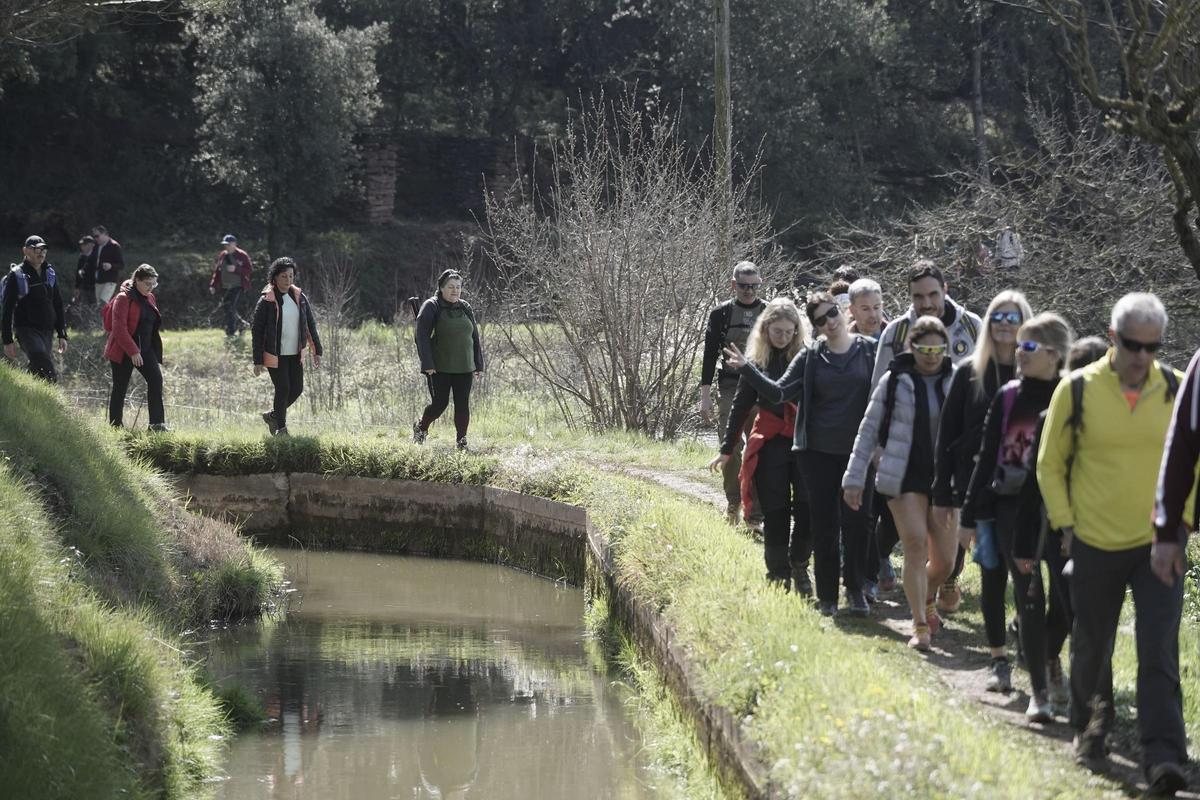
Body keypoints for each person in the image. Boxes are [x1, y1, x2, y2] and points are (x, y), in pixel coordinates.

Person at [1038, 293, 1190, 793]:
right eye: (1132, 345)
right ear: (1112, 337)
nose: (1142, 356)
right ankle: (1091, 731)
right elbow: (1049, 464)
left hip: (1158, 544)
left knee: (1159, 648)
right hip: (1093, 542)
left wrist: (1183, 523)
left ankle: (1164, 755)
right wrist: (1066, 525)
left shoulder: (1176, 389)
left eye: (1152, 346)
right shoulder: (1077, 389)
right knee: (1091, 645)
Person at [727, 291, 879, 616]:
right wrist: (746, 368)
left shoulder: (869, 350)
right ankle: (826, 597)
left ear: (842, 311)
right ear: (815, 327)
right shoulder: (810, 356)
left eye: (832, 313)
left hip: (859, 451)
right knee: (824, 525)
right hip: (816, 452)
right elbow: (779, 392)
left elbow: (884, 394)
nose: (829, 322)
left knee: (858, 524)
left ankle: (856, 591)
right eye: (821, 319)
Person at [959, 313, 1073, 723]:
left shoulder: (1071, 395)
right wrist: (969, 515)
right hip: (1011, 508)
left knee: (1067, 601)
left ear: (1055, 354)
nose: (1018, 353)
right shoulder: (1008, 396)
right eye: (1019, 345)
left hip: (1061, 509)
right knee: (1029, 597)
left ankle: (1048, 654)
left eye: (1028, 346)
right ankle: (1039, 694)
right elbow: (987, 457)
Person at [845, 316, 956, 649]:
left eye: (937, 349)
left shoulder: (958, 379)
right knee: (915, 545)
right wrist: (854, 478)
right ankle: (919, 625)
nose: (931, 356)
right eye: (924, 349)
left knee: (946, 562)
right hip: (903, 474)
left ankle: (927, 596)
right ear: (912, 347)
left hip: (944, 479)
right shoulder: (894, 380)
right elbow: (867, 430)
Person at [932, 290, 1031, 634]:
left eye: (1012, 318)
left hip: (1018, 481)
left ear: (1024, 323)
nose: (1004, 324)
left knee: (1014, 555)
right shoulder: (968, 372)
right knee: (959, 549)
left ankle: (1020, 623)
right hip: (970, 473)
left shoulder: (1034, 374)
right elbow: (947, 433)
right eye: (998, 317)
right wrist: (941, 490)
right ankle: (943, 587)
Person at [709, 298, 812, 592]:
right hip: (770, 443)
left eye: (789, 332)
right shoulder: (756, 361)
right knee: (776, 512)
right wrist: (726, 450)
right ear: (765, 329)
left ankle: (799, 564)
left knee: (807, 511)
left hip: (803, 442)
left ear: (797, 331)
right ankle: (778, 574)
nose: (783, 337)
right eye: (777, 331)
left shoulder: (806, 357)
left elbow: (786, 393)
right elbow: (740, 407)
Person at [700, 261, 767, 525]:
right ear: (733, 285)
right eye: (743, 286)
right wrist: (705, 396)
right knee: (731, 446)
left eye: (753, 286)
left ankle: (756, 513)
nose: (749, 291)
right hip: (730, 386)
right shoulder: (721, 314)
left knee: (760, 448)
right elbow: (709, 355)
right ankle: (733, 502)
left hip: (761, 388)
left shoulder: (769, 312)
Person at [871, 260, 982, 387]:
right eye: (918, 296)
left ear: (944, 289)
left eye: (933, 295)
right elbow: (878, 388)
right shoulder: (895, 333)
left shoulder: (972, 326)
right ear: (910, 295)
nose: (926, 304)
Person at [413, 269, 484, 450]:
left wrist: (478, 364)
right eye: (451, 287)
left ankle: (461, 442)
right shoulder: (431, 306)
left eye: (458, 287)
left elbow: (474, 336)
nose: (455, 291)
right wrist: (427, 363)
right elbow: (421, 336)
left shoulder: (465, 307)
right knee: (439, 404)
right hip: (439, 367)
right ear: (441, 288)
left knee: (462, 405)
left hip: (465, 366)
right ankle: (421, 428)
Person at [251, 257, 322, 437]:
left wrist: (317, 350)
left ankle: (273, 416)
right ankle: (281, 429)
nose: (288, 280)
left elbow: (310, 324)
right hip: (275, 355)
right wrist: (257, 360)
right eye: (284, 276)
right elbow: (257, 331)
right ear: (274, 277)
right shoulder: (266, 300)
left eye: (291, 276)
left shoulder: (300, 297)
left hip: (295, 353)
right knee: (283, 389)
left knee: (296, 389)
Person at [104, 265, 168, 431]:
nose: (151, 287)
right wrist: (133, 351)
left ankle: (157, 425)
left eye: (154, 284)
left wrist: (150, 349)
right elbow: (119, 329)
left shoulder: (150, 297)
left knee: (156, 380)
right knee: (120, 387)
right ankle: (116, 427)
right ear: (137, 280)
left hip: (145, 349)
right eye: (147, 283)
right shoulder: (123, 298)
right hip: (123, 349)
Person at [2, 235, 67, 382]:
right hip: (26, 329)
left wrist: (62, 333)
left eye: (43, 249)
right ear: (25, 250)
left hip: (47, 329)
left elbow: (57, 303)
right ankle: (53, 390)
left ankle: (26, 387)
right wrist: (7, 340)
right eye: (36, 249)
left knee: (37, 366)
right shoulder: (17, 275)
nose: (41, 252)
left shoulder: (49, 272)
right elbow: (7, 309)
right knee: (42, 360)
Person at [209, 234, 254, 336]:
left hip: (238, 286)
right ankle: (242, 325)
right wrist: (213, 285)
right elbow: (217, 271)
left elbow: (249, 270)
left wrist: (236, 269)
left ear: (234, 244)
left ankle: (231, 332)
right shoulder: (222, 255)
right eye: (225, 244)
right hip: (225, 287)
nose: (227, 246)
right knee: (227, 308)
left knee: (230, 307)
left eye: (229, 244)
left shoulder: (242, 255)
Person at [90, 225, 124, 305]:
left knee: (103, 302)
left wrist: (111, 266)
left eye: (97, 236)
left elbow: (121, 265)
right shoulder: (96, 246)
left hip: (110, 280)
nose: (95, 238)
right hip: (98, 280)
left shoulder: (114, 246)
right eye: (94, 237)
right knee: (98, 305)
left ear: (104, 234)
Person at [74, 235, 96, 306]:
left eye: (84, 245)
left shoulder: (97, 256)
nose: (82, 247)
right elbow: (78, 272)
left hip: (95, 287)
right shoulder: (82, 257)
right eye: (81, 245)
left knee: (95, 306)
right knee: (84, 307)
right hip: (84, 287)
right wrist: (77, 287)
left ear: (91, 245)